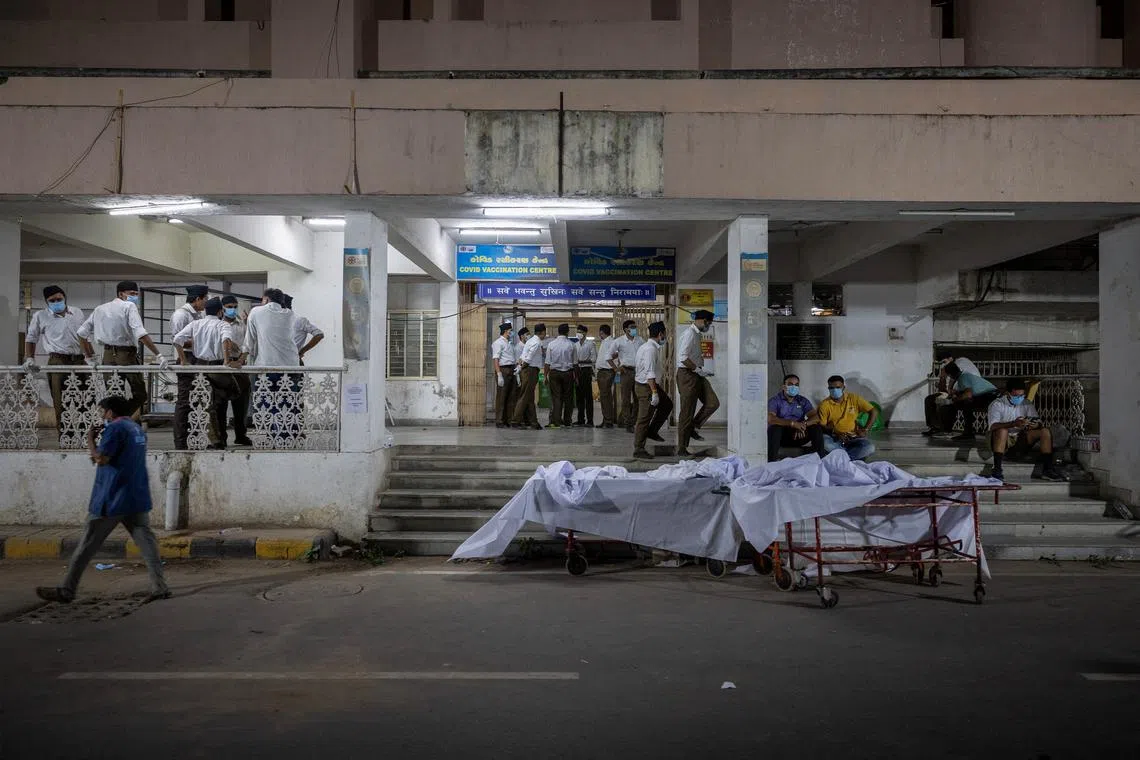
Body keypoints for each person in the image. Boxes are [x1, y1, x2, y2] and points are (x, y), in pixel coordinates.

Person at [35, 396, 171, 604]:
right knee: (147, 544)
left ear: (110, 411)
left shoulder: (114, 429)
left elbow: (101, 458)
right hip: (136, 495)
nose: (101, 414)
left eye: (102, 410)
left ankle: (67, 589)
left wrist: (90, 439)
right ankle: (159, 586)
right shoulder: (135, 429)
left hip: (113, 497)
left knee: (86, 545)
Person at [77, 281, 168, 420]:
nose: (135, 297)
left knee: (114, 394)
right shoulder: (129, 306)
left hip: (107, 355)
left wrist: (89, 358)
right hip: (126, 355)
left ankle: (114, 421)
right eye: (132, 294)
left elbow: (81, 333)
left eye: (137, 294)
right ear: (121, 294)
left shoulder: (100, 309)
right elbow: (140, 333)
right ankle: (121, 418)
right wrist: (159, 354)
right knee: (140, 393)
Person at [172, 298, 240, 450]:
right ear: (220, 311)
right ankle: (218, 439)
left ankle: (216, 438)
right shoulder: (223, 324)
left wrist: (183, 360)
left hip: (199, 367)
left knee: (207, 404)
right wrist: (227, 361)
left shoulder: (196, 324)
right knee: (231, 394)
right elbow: (226, 340)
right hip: (216, 367)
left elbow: (177, 340)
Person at [23, 285, 86, 437]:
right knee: (60, 400)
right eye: (52, 300)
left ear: (65, 298)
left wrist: (90, 357)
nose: (57, 302)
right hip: (58, 360)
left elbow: (84, 336)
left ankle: (86, 434)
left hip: (79, 360)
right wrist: (30, 358)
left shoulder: (76, 312)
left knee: (85, 398)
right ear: (47, 302)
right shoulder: (40, 316)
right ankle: (65, 436)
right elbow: (31, 338)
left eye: (59, 299)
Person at [241, 289, 300, 443]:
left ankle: (274, 436)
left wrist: (242, 358)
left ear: (266, 299)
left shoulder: (256, 312)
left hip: (266, 367)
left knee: (266, 404)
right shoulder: (290, 314)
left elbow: (249, 342)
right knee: (288, 403)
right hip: (291, 367)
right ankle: (285, 438)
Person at [987, 379, 1067, 482]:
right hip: (1002, 440)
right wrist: (1013, 423)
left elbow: (1038, 422)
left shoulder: (1026, 403)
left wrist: (1032, 425)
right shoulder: (997, 404)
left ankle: (1047, 469)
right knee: (1002, 430)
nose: (1019, 398)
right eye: (1016, 396)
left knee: (1044, 431)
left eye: (1022, 395)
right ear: (1008, 393)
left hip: (1020, 439)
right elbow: (993, 426)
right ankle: (997, 469)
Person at [675, 309, 720, 455]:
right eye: (707, 322)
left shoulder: (697, 334)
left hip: (696, 373)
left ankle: (693, 427)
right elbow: (682, 357)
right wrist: (696, 369)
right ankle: (682, 448)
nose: (708, 325)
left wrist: (699, 371)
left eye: (710, 323)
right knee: (687, 411)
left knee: (713, 403)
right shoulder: (689, 334)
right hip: (687, 375)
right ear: (700, 320)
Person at [170, 285, 208, 450]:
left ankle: (196, 438)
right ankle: (180, 442)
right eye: (205, 299)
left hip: (198, 357)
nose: (205, 303)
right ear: (198, 299)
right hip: (186, 357)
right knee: (185, 401)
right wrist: (201, 339)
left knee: (198, 400)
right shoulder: (181, 315)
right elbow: (177, 339)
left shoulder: (198, 314)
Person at [632, 322, 674, 459]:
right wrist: (654, 393)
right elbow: (649, 373)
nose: (665, 337)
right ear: (660, 334)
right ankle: (638, 449)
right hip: (647, 387)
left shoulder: (647, 346)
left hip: (649, 385)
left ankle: (652, 431)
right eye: (665, 334)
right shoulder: (650, 349)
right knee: (644, 418)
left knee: (667, 404)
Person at [816, 375, 878, 461]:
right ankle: (850, 457)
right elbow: (822, 426)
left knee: (870, 447)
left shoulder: (854, 398)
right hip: (834, 438)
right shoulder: (824, 405)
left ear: (843, 387)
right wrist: (835, 433)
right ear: (828, 388)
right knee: (826, 444)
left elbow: (873, 411)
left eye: (838, 387)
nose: (834, 390)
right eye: (831, 388)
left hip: (853, 436)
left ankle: (841, 457)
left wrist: (866, 429)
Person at [219, 294, 253, 447]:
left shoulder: (242, 325)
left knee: (242, 401)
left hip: (239, 364)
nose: (232, 309)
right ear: (222, 308)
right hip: (223, 364)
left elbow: (248, 343)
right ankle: (221, 436)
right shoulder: (217, 325)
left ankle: (241, 434)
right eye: (229, 307)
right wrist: (228, 344)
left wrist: (241, 357)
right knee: (221, 402)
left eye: (234, 306)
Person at [766, 374, 824, 461]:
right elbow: (770, 419)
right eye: (790, 384)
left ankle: (820, 460)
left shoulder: (802, 400)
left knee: (816, 428)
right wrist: (792, 424)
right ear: (783, 387)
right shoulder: (775, 401)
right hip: (782, 437)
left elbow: (816, 417)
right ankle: (772, 462)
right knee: (774, 428)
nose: (794, 387)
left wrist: (803, 424)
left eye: (796, 385)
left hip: (800, 435)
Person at [922, 352, 982, 436]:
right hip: (957, 391)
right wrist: (942, 377)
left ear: (950, 359)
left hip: (970, 391)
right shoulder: (947, 369)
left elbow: (956, 381)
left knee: (948, 402)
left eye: (944, 362)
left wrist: (951, 393)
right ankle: (935, 427)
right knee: (930, 399)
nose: (943, 365)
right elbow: (943, 389)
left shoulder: (959, 364)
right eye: (941, 363)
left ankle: (946, 429)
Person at [941, 362, 999, 441]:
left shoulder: (963, 377)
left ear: (951, 374)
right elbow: (963, 391)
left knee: (966, 403)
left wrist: (955, 399)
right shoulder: (964, 376)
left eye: (948, 375)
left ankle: (967, 433)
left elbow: (968, 394)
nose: (949, 377)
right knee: (964, 403)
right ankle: (967, 432)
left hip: (990, 397)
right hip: (990, 395)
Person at [612, 320, 644, 433]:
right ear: (626, 329)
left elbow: (645, 353)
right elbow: (608, 356)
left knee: (638, 398)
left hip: (638, 372)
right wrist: (616, 368)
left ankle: (634, 421)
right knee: (625, 399)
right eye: (632, 327)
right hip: (626, 372)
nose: (634, 328)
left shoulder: (640, 340)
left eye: (635, 326)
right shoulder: (619, 341)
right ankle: (627, 423)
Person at [544, 323, 576, 429]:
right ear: (567, 332)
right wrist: (576, 377)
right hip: (568, 373)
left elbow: (547, 363)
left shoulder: (551, 344)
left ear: (558, 331)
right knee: (568, 398)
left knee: (556, 398)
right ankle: (567, 421)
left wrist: (545, 376)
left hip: (554, 374)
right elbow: (575, 363)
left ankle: (557, 421)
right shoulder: (572, 345)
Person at [512, 325, 544, 430]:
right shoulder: (537, 342)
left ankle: (534, 422)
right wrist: (521, 368)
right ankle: (515, 421)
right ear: (542, 332)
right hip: (530, 370)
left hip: (528, 369)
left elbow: (522, 356)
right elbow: (529, 358)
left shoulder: (530, 341)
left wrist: (520, 367)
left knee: (530, 398)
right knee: (525, 396)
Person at [283, 293, 325, 365]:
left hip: (293, 361)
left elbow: (319, 334)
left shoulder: (299, 320)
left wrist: (302, 351)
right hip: (283, 361)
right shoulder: (276, 322)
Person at [491, 322, 518, 428]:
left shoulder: (509, 343)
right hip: (503, 370)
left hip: (511, 369)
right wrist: (499, 374)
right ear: (506, 331)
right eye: (511, 331)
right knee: (502, 396)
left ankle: (508, 419)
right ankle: (500, 420)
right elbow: (496, 359)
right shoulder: (498, 343)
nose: (512, 332)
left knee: (511, 396)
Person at [594, 324, 617, 429]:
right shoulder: (604, 342)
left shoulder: (611, 342)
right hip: (602, 372)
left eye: (600, 332)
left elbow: (616, 354)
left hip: (606, 372)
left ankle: (608, 421)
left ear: (602, 332)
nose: (599, 334)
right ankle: (606, 419)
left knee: (605, 397)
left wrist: (613, 366)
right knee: (605, 396)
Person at [573, 324, 596, 427]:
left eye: (581, 332)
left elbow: (594, 359)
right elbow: (574, 360)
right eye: (578, 332)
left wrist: (582, 361)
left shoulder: (590, 344)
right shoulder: (575, 345)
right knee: (579, 397)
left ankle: (590, 421)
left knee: (588, 397)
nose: (579, 334)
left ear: (585, 333)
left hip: (586, 371)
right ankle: (580, 419)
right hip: (578, 371)